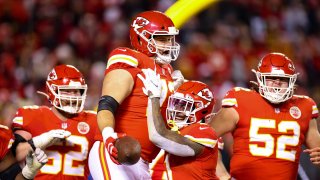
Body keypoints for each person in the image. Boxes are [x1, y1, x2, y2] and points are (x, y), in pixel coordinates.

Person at [88, 10, 182, 179]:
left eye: (170, 38)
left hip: (145, 161)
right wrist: (109, 138)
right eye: (161, 38)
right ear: (141, 38)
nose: (168, 44)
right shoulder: (129, 57)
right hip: (116, 152)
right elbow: (107, 103)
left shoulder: (167, 70)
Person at [209, 52, 320, 180]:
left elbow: (317, 149)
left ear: (292, 81)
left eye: (283, 79)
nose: (277, 83)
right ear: (260, 78)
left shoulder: (304, 106)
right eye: (271, 78)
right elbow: (204, 139)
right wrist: (222, 174)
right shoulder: (241, 100)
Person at [11, 64, 101, 179]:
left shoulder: (93, 120)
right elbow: (16, 155)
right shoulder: (34, 116)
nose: (73, 96)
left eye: (77, 91)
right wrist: (41, 140)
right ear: (51, 91)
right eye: (67, 91)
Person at [139, 69, 226, 179]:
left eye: (184, 105)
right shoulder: (174, 130)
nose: (177, 109)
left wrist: (154, 98)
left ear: (202, 110)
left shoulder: (204, 131)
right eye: (175, 103)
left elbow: (158, 135)